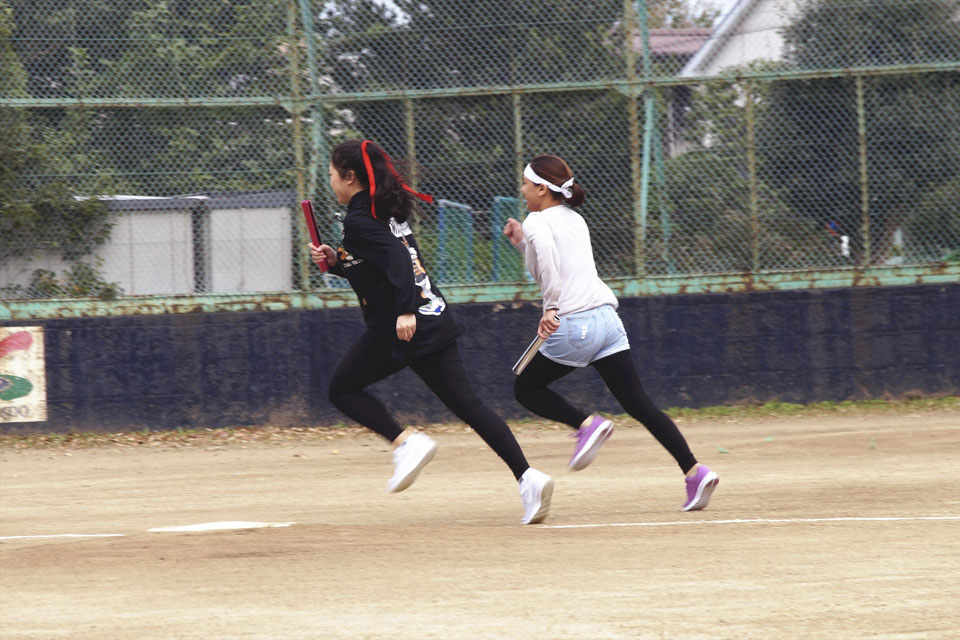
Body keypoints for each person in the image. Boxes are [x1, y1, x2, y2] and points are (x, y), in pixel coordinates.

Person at [309, 139, 553, 524]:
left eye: (332, 175)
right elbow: (382, 261)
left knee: (341, 389)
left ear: (350, 177)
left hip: (401, 326)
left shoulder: (358, 220)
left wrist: (405, 310)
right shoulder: (381, 210)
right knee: (470, 406)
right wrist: (338, 261)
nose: (330, 182)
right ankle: (529, 478)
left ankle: (407, 443)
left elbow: (396, 263)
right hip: (433, 317)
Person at [502, 154, 719, 512]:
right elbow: (554, 264)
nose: (522, 190)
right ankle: (695, 472)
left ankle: (586, 425)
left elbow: (550, 270)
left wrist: (550, 308)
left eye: (525, 184)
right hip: (607, 321)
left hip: (572, 323)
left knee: (525, 388)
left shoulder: (537, 220)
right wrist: (521, 242)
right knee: (638, 403)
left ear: (541, 189)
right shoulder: (574, 219)